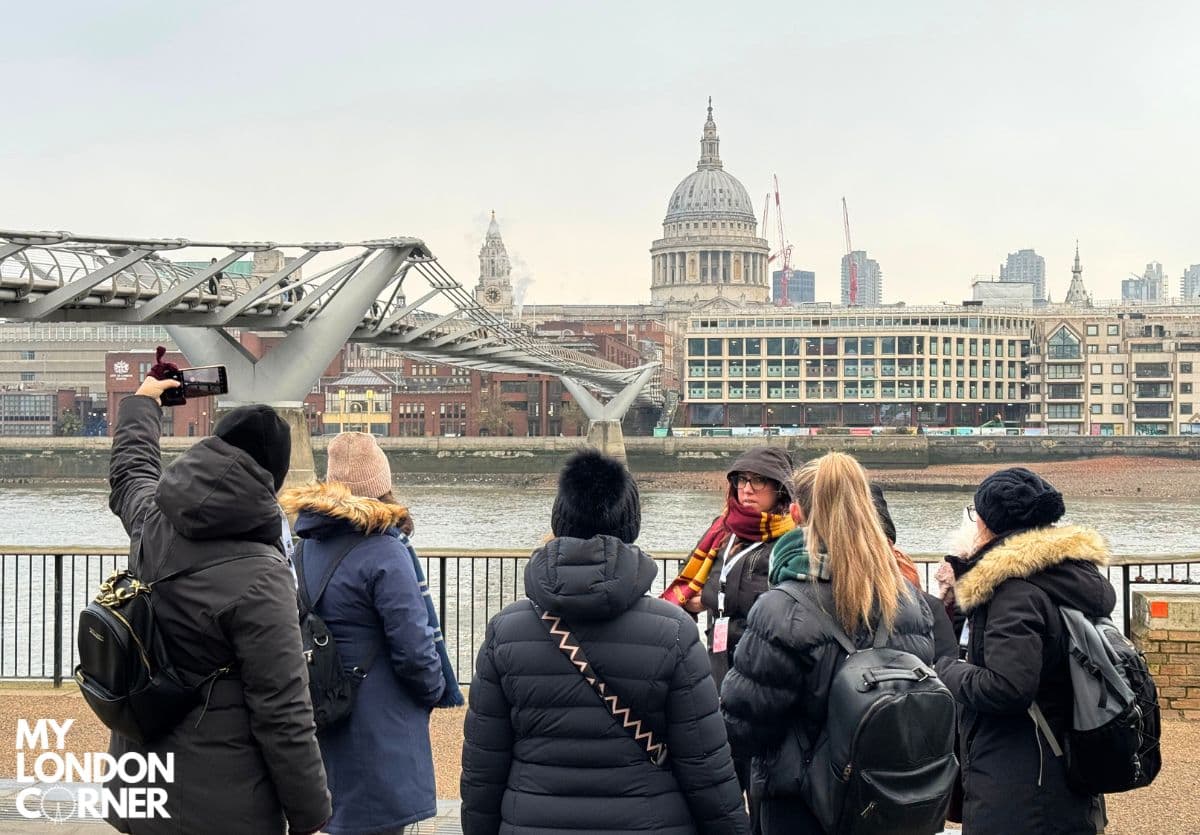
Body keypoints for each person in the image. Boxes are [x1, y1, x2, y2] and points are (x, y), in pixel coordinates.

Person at [461, 449, 749, 835]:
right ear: (631, 528)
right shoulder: (675, 632)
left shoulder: (505, 631)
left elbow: (483, 769)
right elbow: (707, 769)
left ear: (559, 522)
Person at [106, 376, 330, 834]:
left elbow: (132, 472)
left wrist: (143, 404)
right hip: (222, 805)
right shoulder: (263, 576)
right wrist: (311, 815)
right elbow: (283, 711)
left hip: (140, 784)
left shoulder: (154, 520)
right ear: (272, 478)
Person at [720, 451, 935, 834]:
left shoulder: (782, 607)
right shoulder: (906, 599)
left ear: (798, 514)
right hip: (886, 800)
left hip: (803, 807)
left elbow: (743, 723)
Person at [280, 431, 460, 835]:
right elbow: (414, 648)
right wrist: (432, 691)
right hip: (379, 725)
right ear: (382, 486)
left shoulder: (304, 547)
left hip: (323, 712)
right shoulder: (385, 552)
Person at [934, 467, 1114, 834]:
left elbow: (1007, 687)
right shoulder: (1065, 575)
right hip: (1064, 766)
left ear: (988, 522)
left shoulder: (1015, 590)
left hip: (1018, 782)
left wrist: (944, 669)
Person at [660, 446, 794, 833]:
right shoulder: (722, 532)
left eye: (759, 481)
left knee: (764, 785)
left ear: (780, 490)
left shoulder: (789, 540)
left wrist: (716, 598)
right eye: (741, 480)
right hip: (718, 669)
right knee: (720, 784)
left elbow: (782, 599)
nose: (747, 489)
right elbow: (688, 587)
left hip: (766, 676)